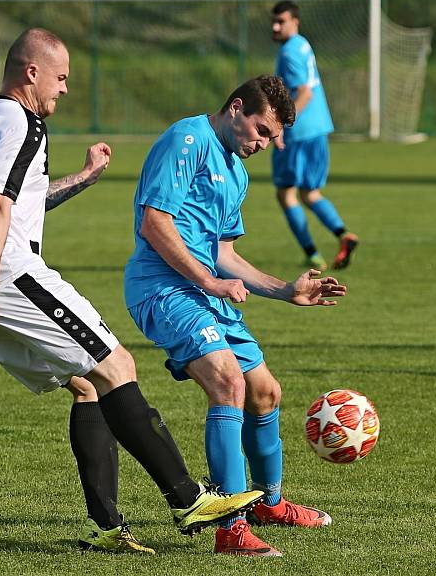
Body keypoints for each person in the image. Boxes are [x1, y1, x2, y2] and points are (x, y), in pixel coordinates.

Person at [0, 27, 263, 553]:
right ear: (31, 72)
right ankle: (187, 499)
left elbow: (16, 203)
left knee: (88, 384)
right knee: (118, 366)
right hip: (2, 274)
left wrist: (84, 177)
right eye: (61, 77)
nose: (65, 89)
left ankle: (107, 527)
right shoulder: (25, 123)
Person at [124, 75, 348, 556]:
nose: (267, 143)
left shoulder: (238, 172)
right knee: (228, 382)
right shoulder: (187, 139)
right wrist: (207, 281)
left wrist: (286, 290)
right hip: (161, 288)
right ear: (237, 109)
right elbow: (154, 221)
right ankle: (231, 527)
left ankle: (269, 502)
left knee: (265, 392)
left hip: (205, 292)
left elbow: (224, 252)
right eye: (263, 131)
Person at [271, 0, 359, 270]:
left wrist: (281, 125)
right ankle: (343, 234)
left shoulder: (289, 53)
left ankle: (312, 255)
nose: (275, 26)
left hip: (298, 133)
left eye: (281, 21)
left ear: (295, 21)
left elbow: (304, 92)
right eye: (274, 21)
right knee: (310, 193)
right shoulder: (303, 44)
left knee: (286, 195)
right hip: (319, 129)